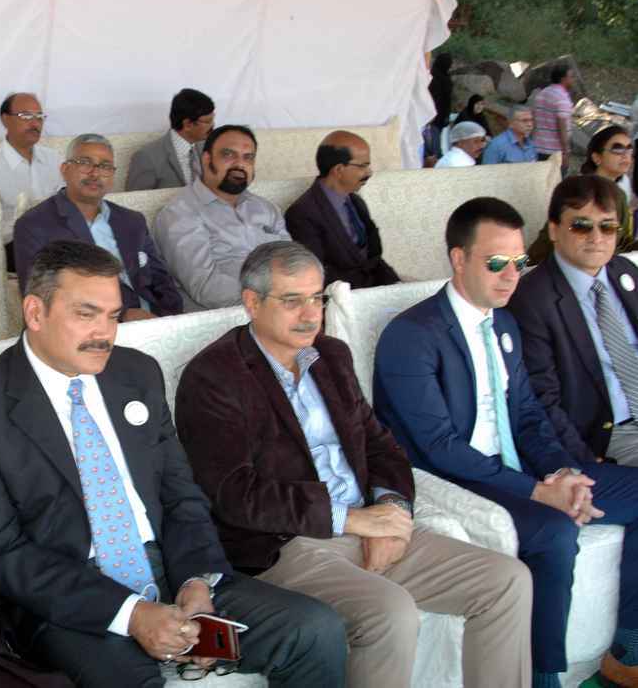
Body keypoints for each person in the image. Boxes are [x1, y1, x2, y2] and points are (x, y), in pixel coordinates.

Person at [0, 240, 347, 688]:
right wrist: (131, 614)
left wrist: (196, 583)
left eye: (113, 316)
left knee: (314, 630)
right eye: (86, 314)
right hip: (69, 600)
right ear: (35, 313)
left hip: (171, 568)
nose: (105, 334)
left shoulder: (136, 374)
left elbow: (181, 495)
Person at [176, 241, 532, 687]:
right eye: (292, 300)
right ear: (252, 302)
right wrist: (352, 520)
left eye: (317, 298)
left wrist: (392, 513)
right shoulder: (214, 377)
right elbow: (235, 493)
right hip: (287, 544)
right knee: (390, 612)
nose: (311, 314)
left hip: (368, 525)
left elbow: (381, 445)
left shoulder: (331, 357)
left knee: (507, 581)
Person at [373, 197, 638, 688]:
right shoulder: (411, 335)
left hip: (519, 468)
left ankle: (629, 646)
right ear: (458, 258)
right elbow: (438, 445)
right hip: (457, 478)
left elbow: (529, 416)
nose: (512, 275)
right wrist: (539, 492)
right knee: (554, 532)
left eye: (519, 261)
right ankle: (543, 676)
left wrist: (562, 472)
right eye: (497, 262)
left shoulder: (504, 323)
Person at [509, 175, 638, 466]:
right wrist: (582, 459)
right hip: (611, 434)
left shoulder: (625, 271)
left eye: (607, 226)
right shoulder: (531, 300)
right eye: (581, 226)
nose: (597, 237)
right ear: (554, 230)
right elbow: (542, 399)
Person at [14, 134, 182, 321]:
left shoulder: (132, 221)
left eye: (105, 166)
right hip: (91, 326)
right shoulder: (34, 225)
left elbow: (162, 280)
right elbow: (42, 297)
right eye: (85, 163)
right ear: (65, 170)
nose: (95, 173)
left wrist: (173, 320)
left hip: (157, 321)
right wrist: (122, 315)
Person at [153, 124, 290, 311]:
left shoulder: (267, 209)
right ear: (206, 159)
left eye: (248, 157)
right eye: (228, 154)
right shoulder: (179, 213)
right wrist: (271, 298)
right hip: (226, 318)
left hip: (282, 306)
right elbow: (205, 287)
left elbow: (291, 262)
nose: (239, 164)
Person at [284, 130, 400, 289]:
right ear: (338, 170)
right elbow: (316, 273)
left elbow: (373, 259)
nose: (369, 173)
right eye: (362, 166)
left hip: (377, 289)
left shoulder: (356, 202)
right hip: (343, 296)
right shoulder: (302, 213)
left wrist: (397, 286)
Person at [0, 93, 63, 270]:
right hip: (14, 245)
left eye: (39, 117)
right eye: (26, 116)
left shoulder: (54, 159)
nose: (35, 124)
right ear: (5, 120)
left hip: (57, 237)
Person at [527, 126, 637, 264]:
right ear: (597, 158)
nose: (626, 155)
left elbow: (622, 241)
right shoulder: (576, 190)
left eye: (629, 149)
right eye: (618, 149)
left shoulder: (619, 193)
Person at [125, 88, 214, 191]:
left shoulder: (209, 147)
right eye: (208, 121)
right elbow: (135, 198)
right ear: (188, 125)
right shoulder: (147, 157)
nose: (213, 125)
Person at [533, 65, 575, 176]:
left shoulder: (542, 94)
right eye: (571, 77)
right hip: (556, 152)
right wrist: (566, 152)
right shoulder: (562, 98)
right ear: (563, 79)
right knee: (556, 183)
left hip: (538, 148)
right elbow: (562, 126)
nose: (573, 80)